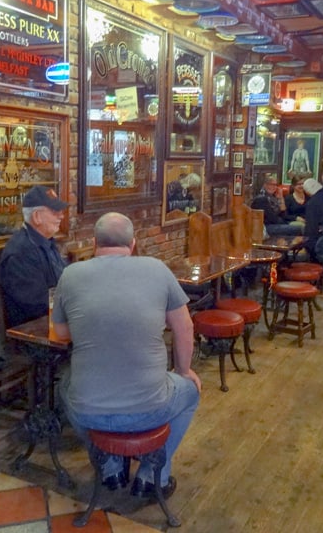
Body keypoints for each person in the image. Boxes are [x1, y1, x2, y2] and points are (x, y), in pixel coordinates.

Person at [52, 212, 200, 499]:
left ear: (94, 242)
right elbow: (185, 327)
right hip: (149, 407)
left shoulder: (70, 274)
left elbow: (60, 332)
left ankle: (109, 465)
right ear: (133, 244)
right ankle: (152, 474)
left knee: (65, 385)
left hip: (88, 411)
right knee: (191, 391)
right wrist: (184, 371)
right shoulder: (156, 269)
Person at [0, 186, 67, 327]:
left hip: (55, 322)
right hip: (33, 335)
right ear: (36, 216)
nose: (61, 215)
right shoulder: (20, 253)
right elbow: (37, 305)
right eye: (54, 211)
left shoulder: (46, 241)